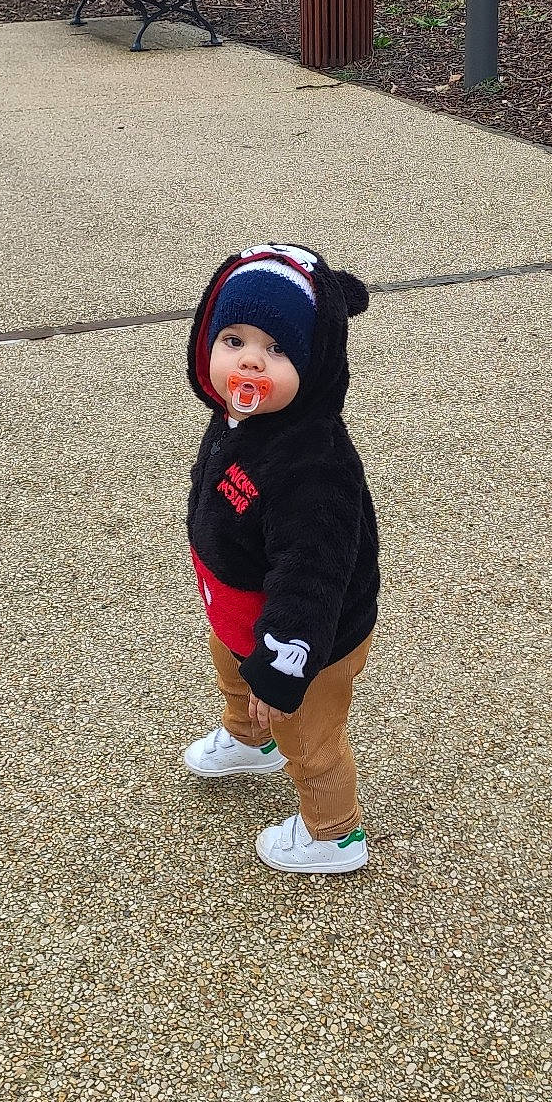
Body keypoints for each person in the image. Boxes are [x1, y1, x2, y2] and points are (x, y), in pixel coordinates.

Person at [182, 243, 380, 875]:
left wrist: (282, 666)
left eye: (277, 350)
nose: (248, 361)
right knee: (236, 675)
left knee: (309, 735)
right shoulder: (241, 420)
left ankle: (332, 832)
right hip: (242, 607)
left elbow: (312, 579)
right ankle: (249, 736)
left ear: (316, 365)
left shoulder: (314, 468)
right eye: (233, 339)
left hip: (306, 639)